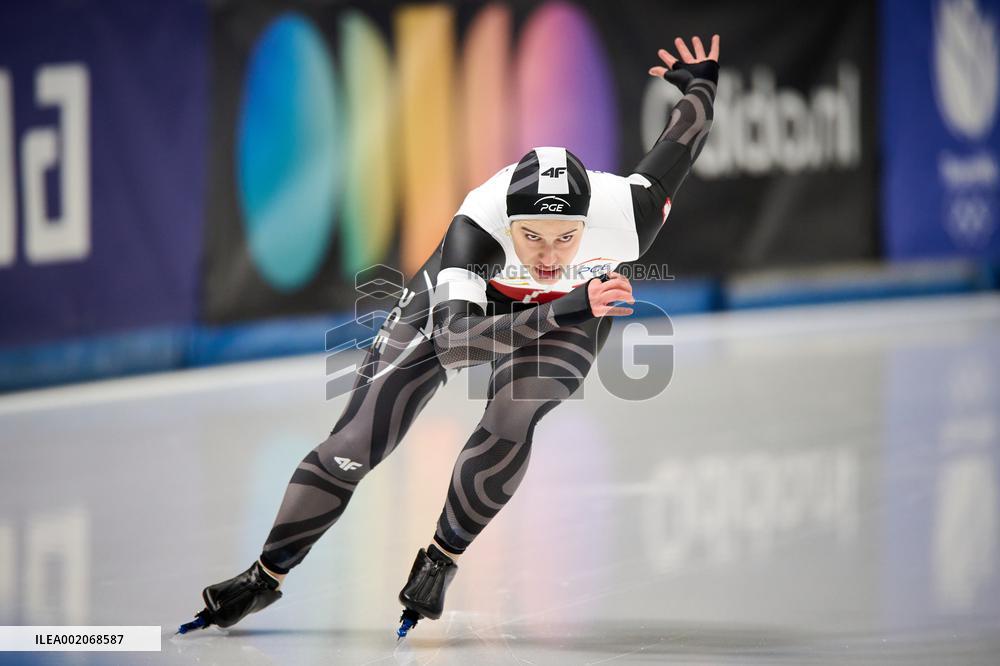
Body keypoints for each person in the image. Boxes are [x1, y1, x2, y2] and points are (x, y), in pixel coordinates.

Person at [179, 34, 720, 638]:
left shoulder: (628, 215)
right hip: (486, 308)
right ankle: (264, 576)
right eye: (532, 237)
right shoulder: (477, 227)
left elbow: (682, 139)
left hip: (574, 308)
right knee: (356, 440)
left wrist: (700, 82)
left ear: (588, 223)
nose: (548, 256)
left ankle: (441, 558)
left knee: (514, 409)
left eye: (565, 238)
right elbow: (457, 346)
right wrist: (565, 304)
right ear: (508, 223)